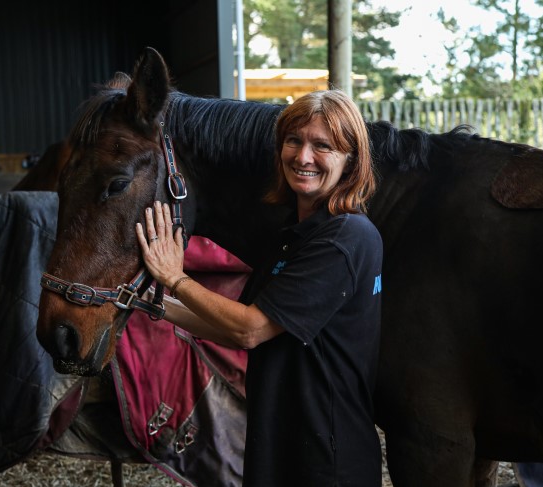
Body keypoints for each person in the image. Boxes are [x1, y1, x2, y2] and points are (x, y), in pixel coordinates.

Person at [135, 89, 383, 487]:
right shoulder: (294, 235)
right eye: (294, 141)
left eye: (322, 146)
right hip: (281, 440)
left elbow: (251, 329)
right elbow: (236, 331)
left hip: (325, 457)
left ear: (351, 160)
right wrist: (156, 305)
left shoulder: (344, 238)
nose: (303, 157)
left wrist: (175, 279)